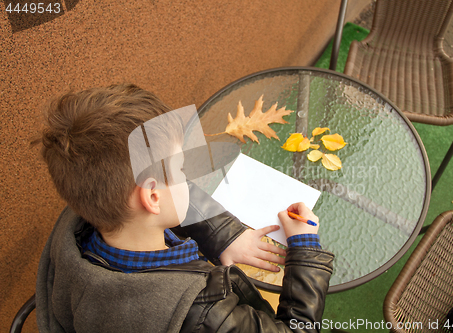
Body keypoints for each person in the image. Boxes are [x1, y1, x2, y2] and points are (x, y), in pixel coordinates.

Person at [33, 83, 334, 332]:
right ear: (152, 197)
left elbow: (165, 196)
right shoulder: (200, 313)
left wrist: (225, 234)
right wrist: (305, 248)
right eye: (180, 168)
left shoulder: (85, 216)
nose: (187, 178)